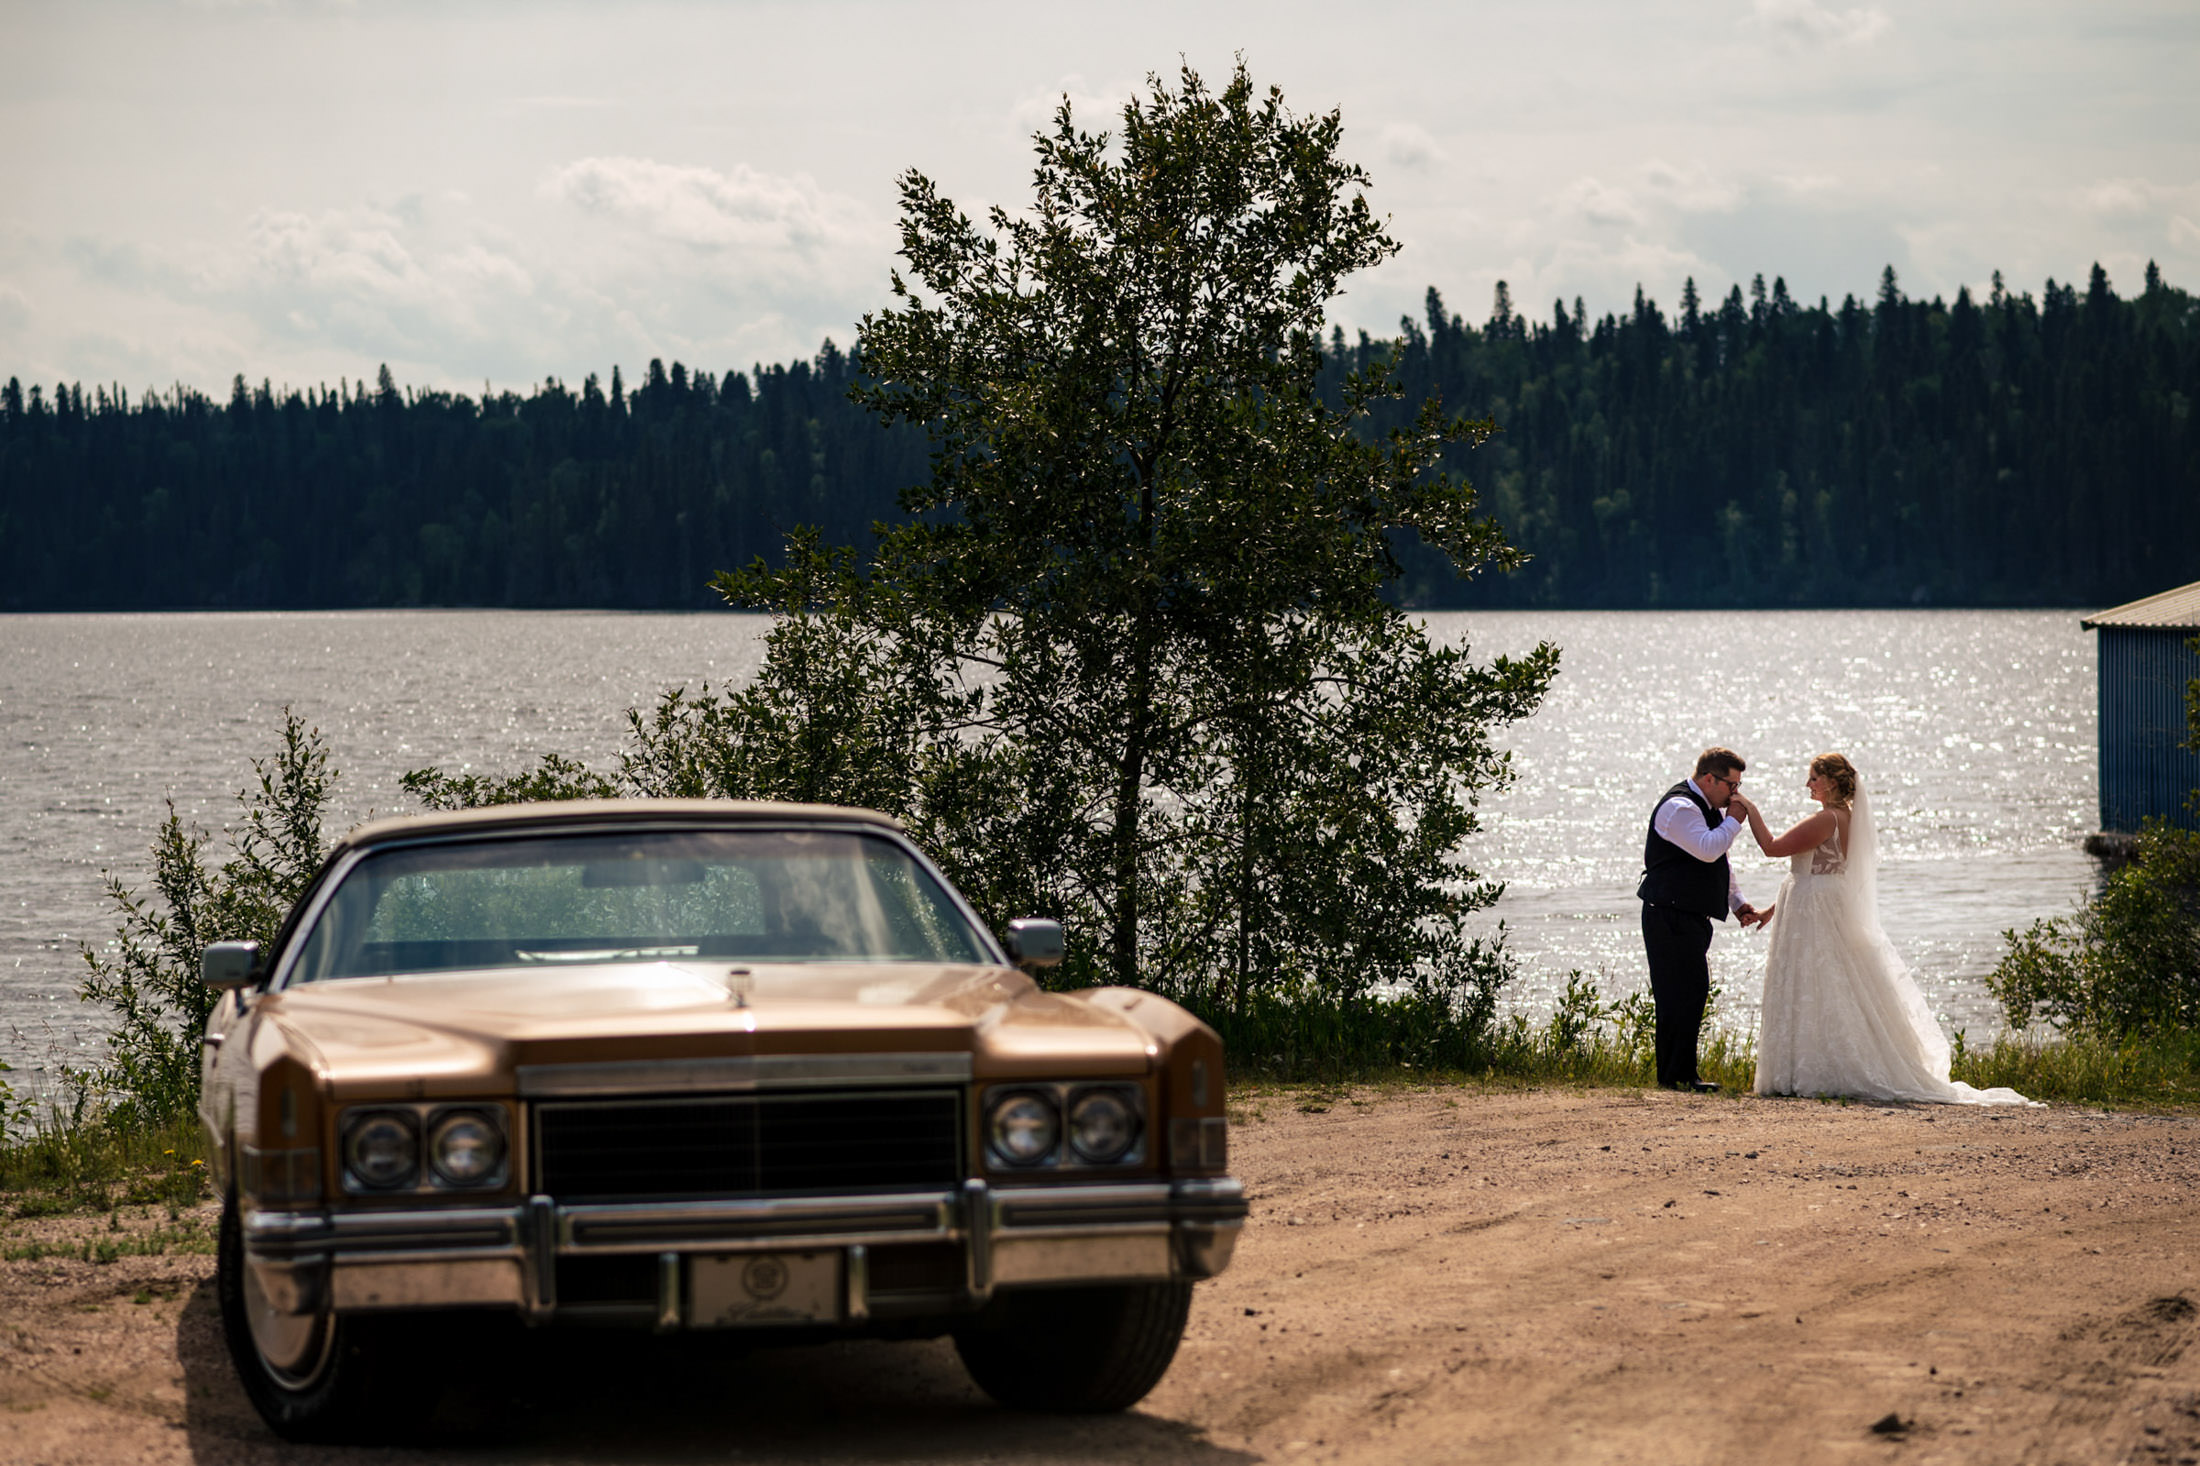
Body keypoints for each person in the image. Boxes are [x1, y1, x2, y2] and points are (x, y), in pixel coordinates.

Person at [1739, 753, 2033, 1105]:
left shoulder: (1827, 819)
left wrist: (1748, 807)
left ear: (1831, 782)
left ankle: (1812, 1069)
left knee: (1813, 981)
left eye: (1813, 778)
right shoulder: (1848, 818)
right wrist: (1774, 909)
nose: (1808, 784)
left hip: (1813, 909)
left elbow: (1772, 848)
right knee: (1826, 982)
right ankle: (1815, 1065)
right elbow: (1816, 873)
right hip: (1820, 903)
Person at [1636, 748, 1769, 1093]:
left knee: (1691, 992)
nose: (1735, 794)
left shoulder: (1706, 809)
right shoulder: (1679, 807)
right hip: (1667, 912)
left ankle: (1679, 1073)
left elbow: (1718, 862)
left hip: (1688, 914)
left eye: (1739, 786)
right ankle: (1676, 1075)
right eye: (1732, 785)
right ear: (1709, 778)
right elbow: (1708, 848)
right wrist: (1735, 820)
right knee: (1678, 992)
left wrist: (1738, 903)